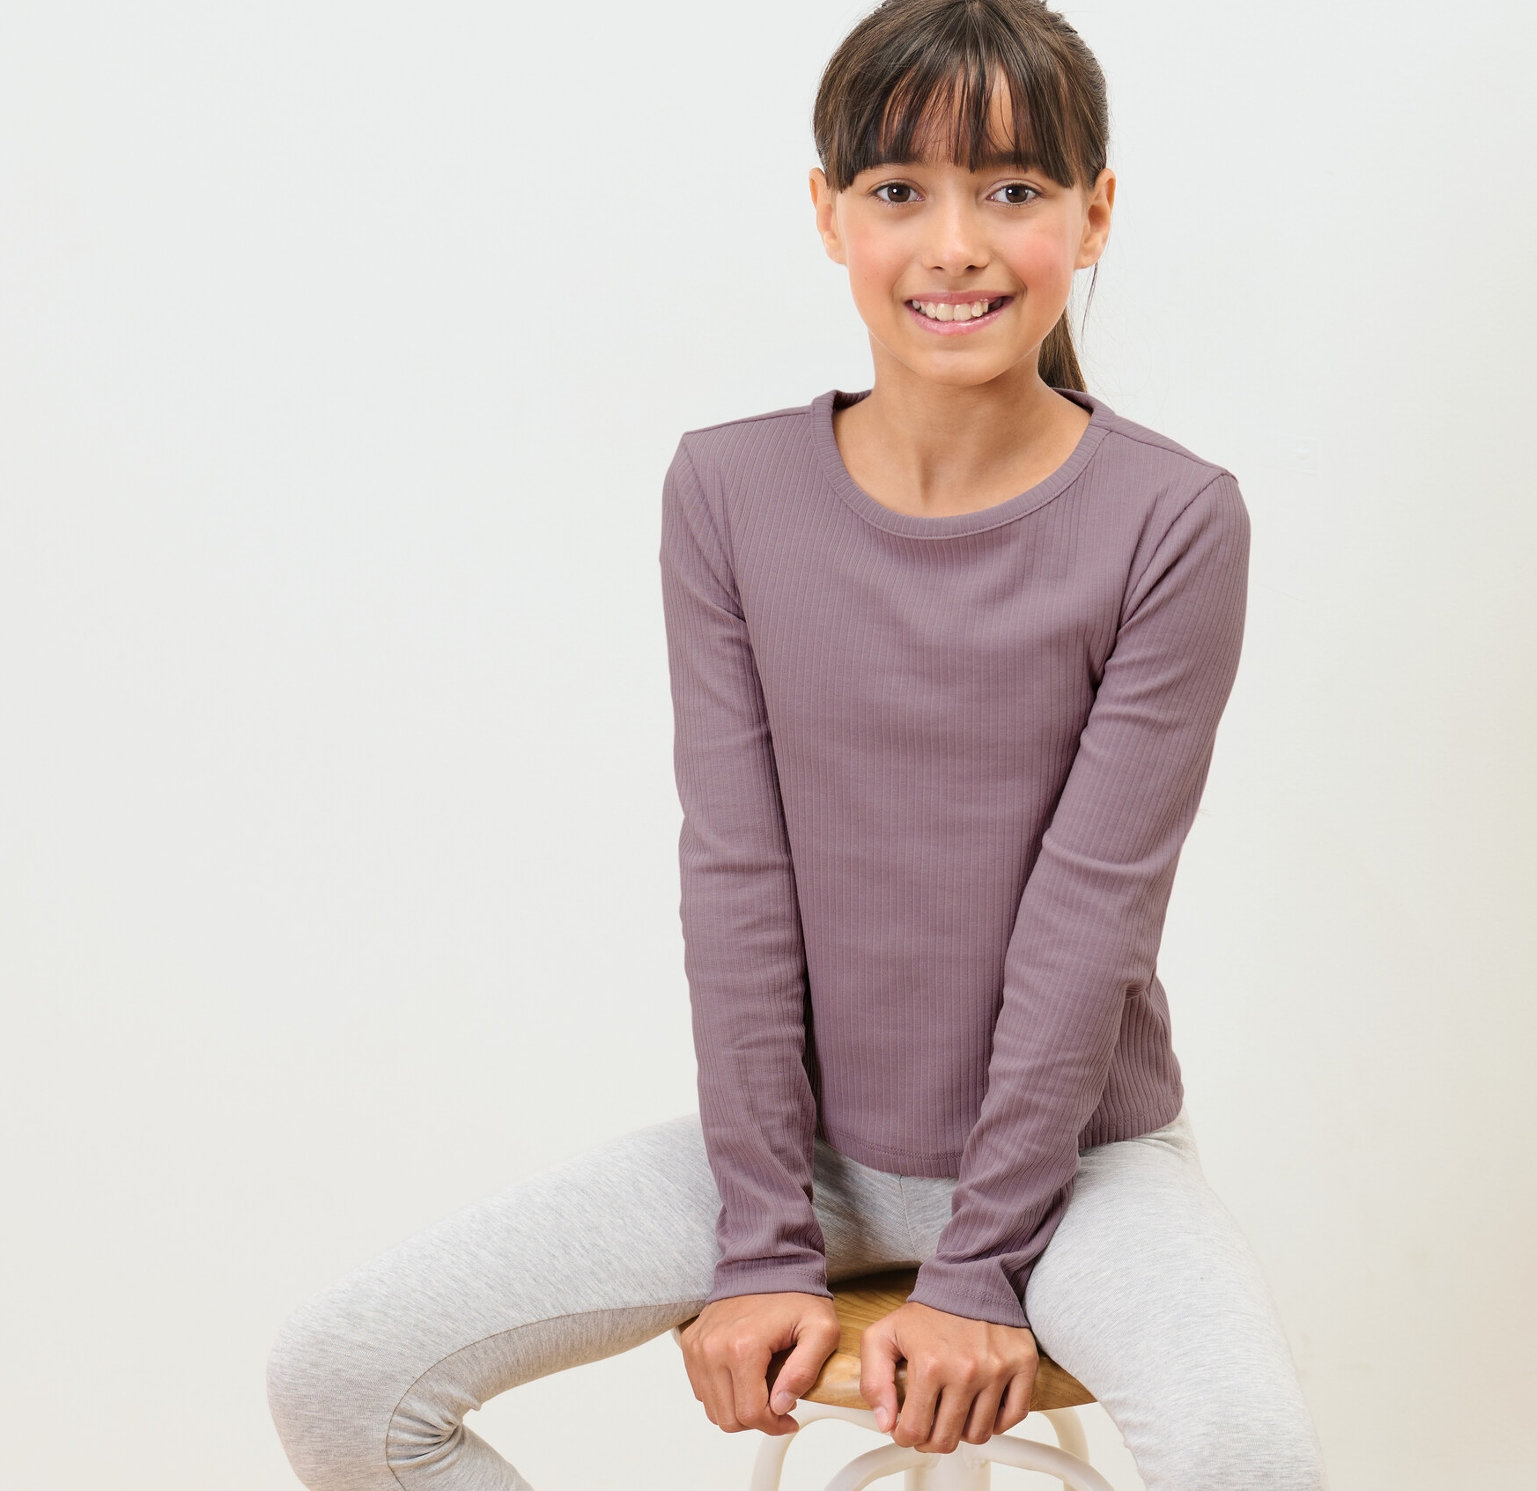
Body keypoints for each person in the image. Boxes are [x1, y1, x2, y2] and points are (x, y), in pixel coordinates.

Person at [264, 2, 1328, 1487]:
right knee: (341, 1375)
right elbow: (738, 878)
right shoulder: (728, 491)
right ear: (828, 216)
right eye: (899, 192)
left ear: (1092, 217)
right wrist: (762, 1235)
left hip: (1079, 1170)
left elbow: (1090, 918)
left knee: (1247, 1453)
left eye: (1011, 190)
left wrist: (973, 1274)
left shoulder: (1169, 519)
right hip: (793, 1156)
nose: (953, 246)